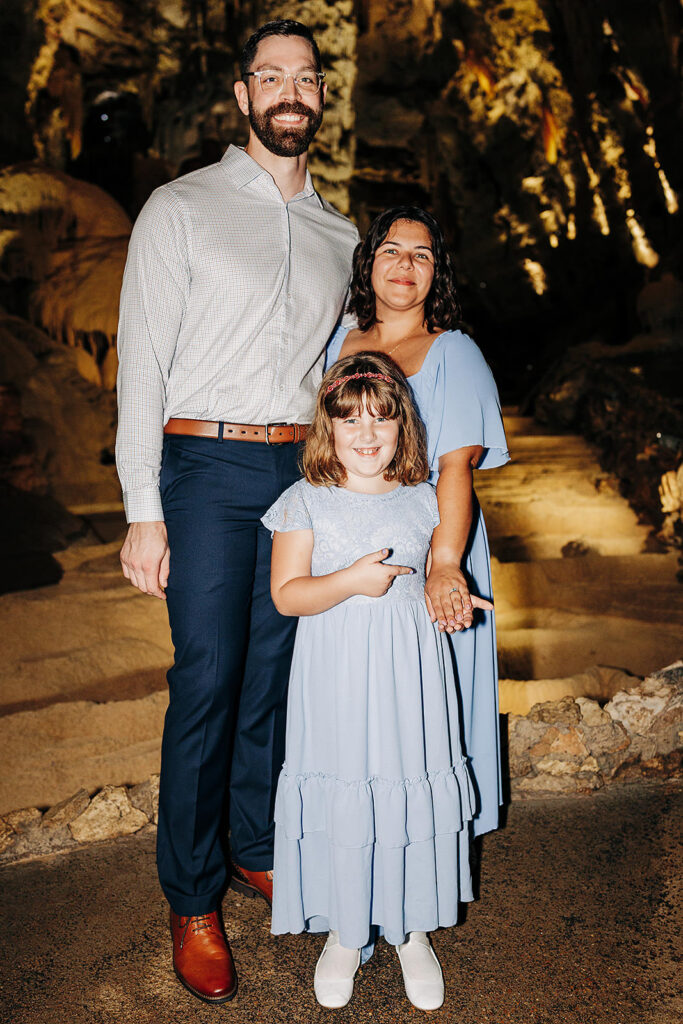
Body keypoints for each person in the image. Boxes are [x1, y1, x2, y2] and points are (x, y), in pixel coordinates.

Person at [115, 19, 358, 1004]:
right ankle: (191, 894)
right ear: (242, 93)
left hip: (295, 474)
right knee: (209, 679)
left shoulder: (343, 235)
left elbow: (343, 373)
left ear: (319, 99)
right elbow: (141, 362)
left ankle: (253, 844)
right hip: (203, 465)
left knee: (273, 676)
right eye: (272, 75)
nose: (290, 90)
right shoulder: (180, 208)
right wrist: (143, 506)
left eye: (306, 76)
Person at [262, 353, 494, 1009]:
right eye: (349, 420)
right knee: (345, 784)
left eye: (381, 420)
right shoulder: (303, 501)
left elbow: (436, 578)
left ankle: (411, 927)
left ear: (403, 429)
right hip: (332, 679)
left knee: (404, 778)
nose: (366, 435)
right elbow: (287, 595)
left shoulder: (425, 502)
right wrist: (350, 582)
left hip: (410, 678)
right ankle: (343, 931)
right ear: (326, 430)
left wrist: (449, 603)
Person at [326, 206, 509, 840]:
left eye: (422, 255)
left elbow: (456, 470)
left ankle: (431, 842)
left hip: (431, 540)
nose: (406, 266)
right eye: (392, 251)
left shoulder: (452, 352)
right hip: (344, 544)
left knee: (431, 700)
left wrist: (445, 566)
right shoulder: (338, 342)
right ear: (368, 263)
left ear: (439, 273)